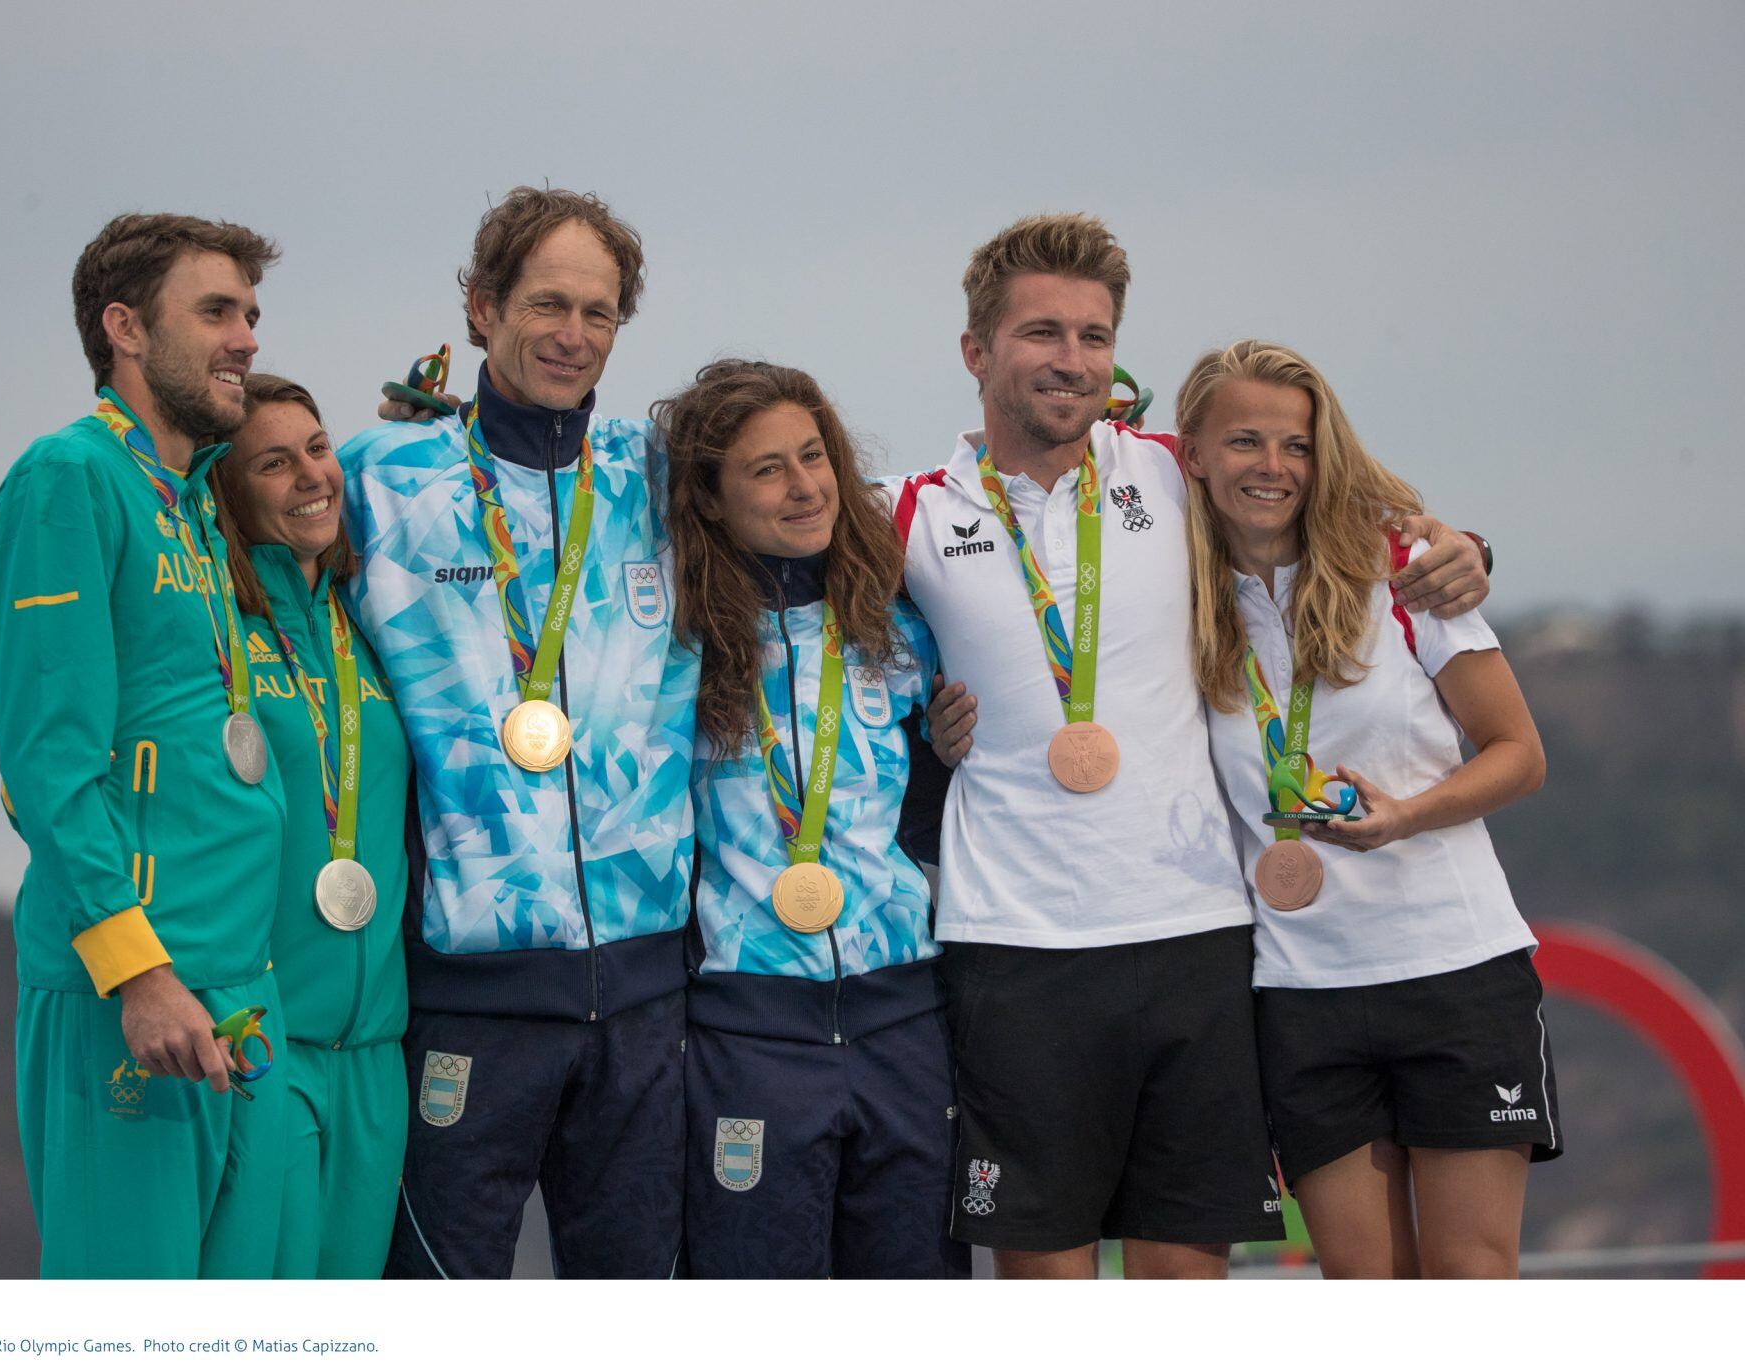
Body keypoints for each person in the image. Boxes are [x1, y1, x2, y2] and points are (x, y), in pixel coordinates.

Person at [897, 213, 1492, 1278]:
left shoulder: (1177, 470)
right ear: (976, 352)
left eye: (1095, 335)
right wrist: (923, 739)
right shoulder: (912, 513)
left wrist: (1462, 548)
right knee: (1045, 1280)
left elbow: (1332, 488)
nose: (1072, 360)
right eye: (1042, 333)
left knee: (1186, 1285)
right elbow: (779, 571)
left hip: (1200, 941)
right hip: (1014, 950)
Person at [339, 187, 696, 1278]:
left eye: (598, 312)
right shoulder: (378, 480)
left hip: (645, 991)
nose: (571, 335)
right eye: (546, 304)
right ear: (481, 306)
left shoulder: (668, 477)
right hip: (467, 992)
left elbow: (829, 530)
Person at [1175, 339, 1559, 1277]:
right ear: (1190, 452)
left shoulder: (1404, 569)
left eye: (1297, 445)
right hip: (1303, 995)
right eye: (1245, 442)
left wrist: (1409, 815)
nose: (1273, 467)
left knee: (1470, 1277)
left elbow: (1520, 755)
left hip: (1454, 969)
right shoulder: (1173, 599)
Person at [0, 212, 289, 1277]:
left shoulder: (196, 507)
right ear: (123, 328)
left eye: (250, 314)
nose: (247, 337)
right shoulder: (66, 479)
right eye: (215, 312)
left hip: (244, 997)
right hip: (139, 997)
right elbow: (48, 766)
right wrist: (137, 975)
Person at [655, 360, 967, 1279]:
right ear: (708, 499)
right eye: (766, 469)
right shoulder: (674, 644)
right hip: (750, 1026)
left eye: (814, 456)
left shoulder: (899, 625)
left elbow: (931, 814)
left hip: (902, 1014)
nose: (805, 487)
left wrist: (946, 761)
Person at [209, 374, 413, 1278]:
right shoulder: (218, 629)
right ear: (228, 488)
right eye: (274, 462)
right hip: (268, 1039)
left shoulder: (364, 624)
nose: (310, 477)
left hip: (375, 1050)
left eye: (318, 450)